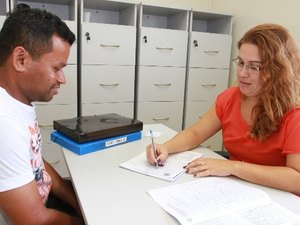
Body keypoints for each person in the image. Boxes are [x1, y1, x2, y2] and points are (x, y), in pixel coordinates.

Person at [146, 23, 300, 195]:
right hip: (235, 188)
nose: (242, 73)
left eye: (254, 67)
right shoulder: (230, 98)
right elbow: (195, 133)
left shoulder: (295, 113)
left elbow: (297, 179)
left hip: (280, 199)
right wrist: (166, 147)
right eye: (241, 63)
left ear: (278, 70)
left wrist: (232, 166)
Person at [0, 7, 85, 225]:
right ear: (20, 59)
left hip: (43, 204)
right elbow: (33, 220)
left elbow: (37, 164)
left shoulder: (18, 101)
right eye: (57, 68)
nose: (62, 79)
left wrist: (78, 202)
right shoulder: (4, 122)